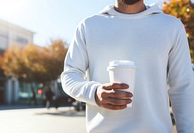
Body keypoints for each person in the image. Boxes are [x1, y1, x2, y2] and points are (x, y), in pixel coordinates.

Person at [61, 0, 194, 133]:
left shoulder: (171, 26)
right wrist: (94, 93)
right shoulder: (88, 26)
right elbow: (69, 75)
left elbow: (183, 86)